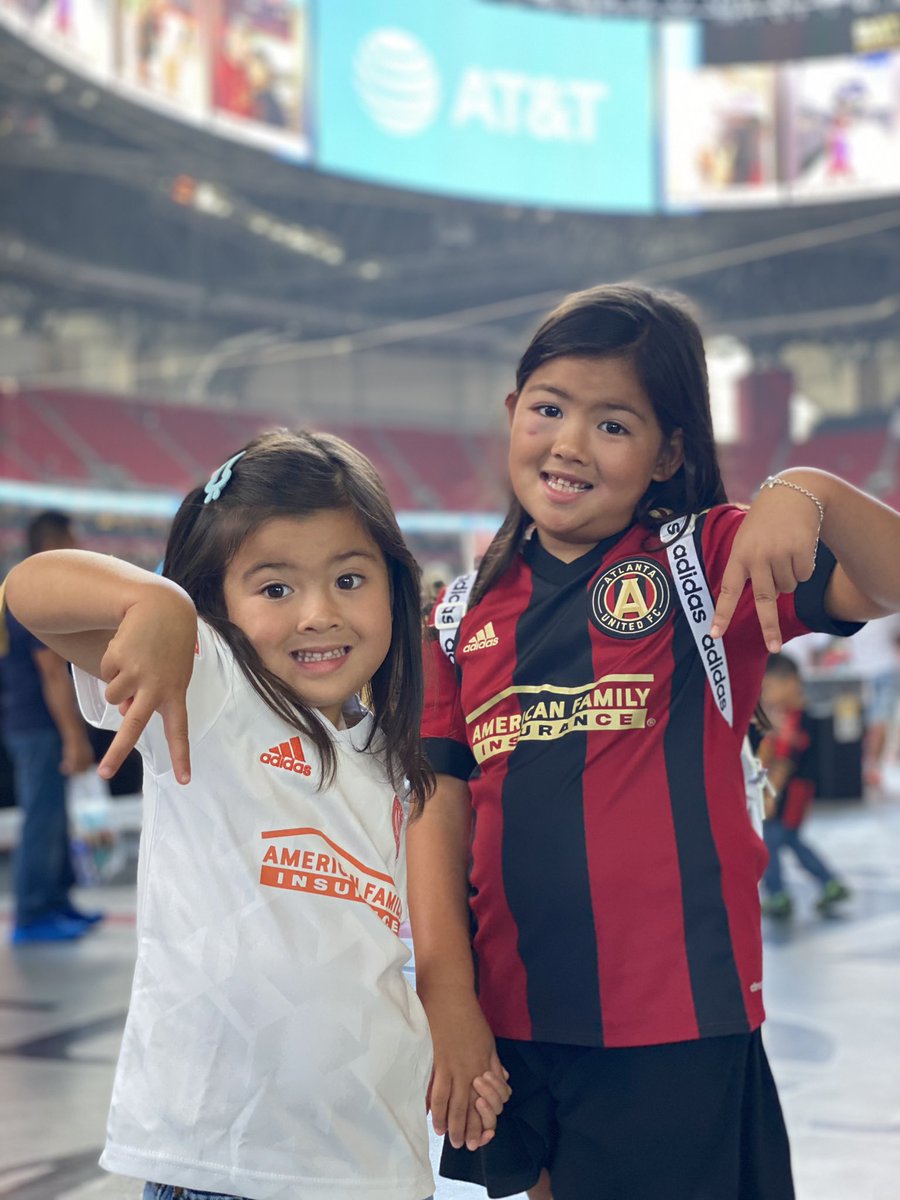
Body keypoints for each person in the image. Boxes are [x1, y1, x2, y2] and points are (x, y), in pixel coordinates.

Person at [407, 283, 900, 1200]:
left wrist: (811, 492)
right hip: (511, 1022)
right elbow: (437, 810)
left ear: (669, 450)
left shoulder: (705, 560)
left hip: (671, 1025)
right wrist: (450, 997)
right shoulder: (458, 613)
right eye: (549, 409)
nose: (568, 443)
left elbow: (888, 579)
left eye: (614, 424)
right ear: (513, 413)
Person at [4, 431, 510, 1200]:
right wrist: (157, 601)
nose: (317, 614)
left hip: (371, 1164)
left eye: (349, 578)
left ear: (393, 584)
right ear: (218, 602)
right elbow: (30, 587)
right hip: (222, 1163)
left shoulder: (393, 764)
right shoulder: (210, 685)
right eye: (275, 589)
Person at [0, 509, 99, 943]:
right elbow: (53, 674)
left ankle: (57, 902)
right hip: (39, 726)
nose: (78, 547)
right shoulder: (33, 595)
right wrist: (74, 739)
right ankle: (33, 912)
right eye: (71, 538)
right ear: (53, 541)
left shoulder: (16, 590)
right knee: (42, 818)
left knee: (55, 817)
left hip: (28, 723)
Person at [757, 653, 851, 919]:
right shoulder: (787, 717)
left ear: (792, 682)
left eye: (769, 688)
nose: (767, 696)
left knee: (774, 841)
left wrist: (770, 795)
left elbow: (784, 762)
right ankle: (828, 882)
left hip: (792, 791)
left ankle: (779, 893)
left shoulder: (797, 719)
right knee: (787, 840)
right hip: (793, 790)